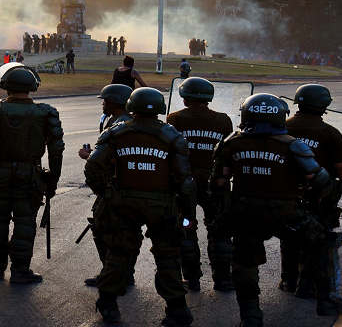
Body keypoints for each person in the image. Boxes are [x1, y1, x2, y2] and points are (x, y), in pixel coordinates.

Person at [212, 94, 342, 325]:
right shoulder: (292, 144)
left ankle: (251, 318)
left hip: (246, 211)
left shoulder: (231, 143)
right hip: (287, 211)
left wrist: (228, 210)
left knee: (245, 265)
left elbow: (217, 183)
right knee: (321, 242)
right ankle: (325, 300)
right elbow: (321, 180)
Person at [85, 87, 193, 327]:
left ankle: (108, 304)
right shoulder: (172, 136)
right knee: (167, 258)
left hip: (123, 204)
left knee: (119, 254)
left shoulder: (116, 133)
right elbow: (185, 181)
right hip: (162, 205)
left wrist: (107, 194)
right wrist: (188, 213)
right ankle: (177, 310)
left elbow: (93, 168)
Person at [0, 63, 64, 284]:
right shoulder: (46, 113)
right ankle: (20, 270)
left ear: (5, 85)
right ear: (32, 86)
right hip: (29, 175)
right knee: (25, 221)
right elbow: (56, 150)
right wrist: (53, 180)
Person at [281, 84, 342, 303]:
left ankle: (288, 280)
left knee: (289, 236)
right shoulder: (330, 133)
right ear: (324, 106)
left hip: (287, 192)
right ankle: (307, 286)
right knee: (318, 240)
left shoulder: (282, 127)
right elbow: (341, 167)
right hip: (318, 195)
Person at [165, 77, 234, 292]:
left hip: (184, 186)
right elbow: (227, 154)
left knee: (186, 228)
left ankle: (192, 278)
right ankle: (222, 280)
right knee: (219, 231)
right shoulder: (223, 120)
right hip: (215, 185)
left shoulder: (174, 119)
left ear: (185, 99)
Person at [77, 83, 134, 290]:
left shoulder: (121, 124)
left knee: (104, 230)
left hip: (116, 187)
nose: (103, 104)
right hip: (118, 185)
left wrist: (89, 156)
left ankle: (114, 275)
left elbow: (111, 159)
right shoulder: (116, 120)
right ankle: (121, 274)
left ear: (115, 102)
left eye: (106, 100)